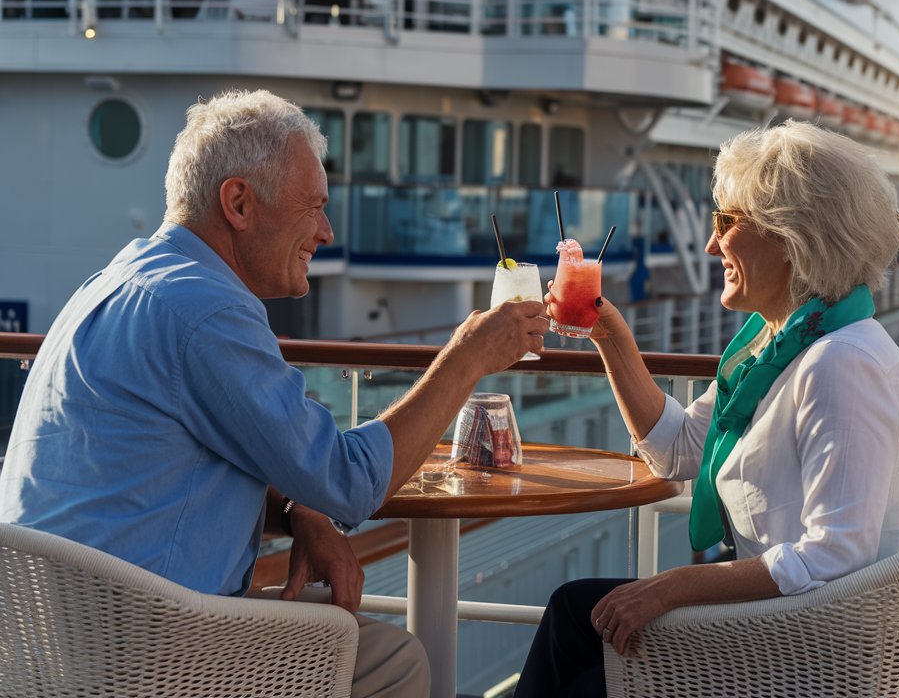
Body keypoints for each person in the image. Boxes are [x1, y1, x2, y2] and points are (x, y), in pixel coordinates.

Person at [0, 88, 548, 698]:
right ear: (238, 202)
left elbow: (152, 487)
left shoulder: (114, 282)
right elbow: (348, 481)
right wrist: (467, 355)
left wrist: (292, 512)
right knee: (392, 661)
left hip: (44, 645)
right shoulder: (204, 310)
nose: (326, 229)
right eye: (312, 206)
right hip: (145, 658)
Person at [515, 120, 899, 697]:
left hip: (818, 655)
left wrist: (675, 586)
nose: (712, 246)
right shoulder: (774, 345)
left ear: (790, 237)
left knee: (586, 671)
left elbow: (836, 552)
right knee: (571, 613)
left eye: (726, 223)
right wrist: (609, 332)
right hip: (777, 627)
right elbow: (678, 452)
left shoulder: (841, 363)